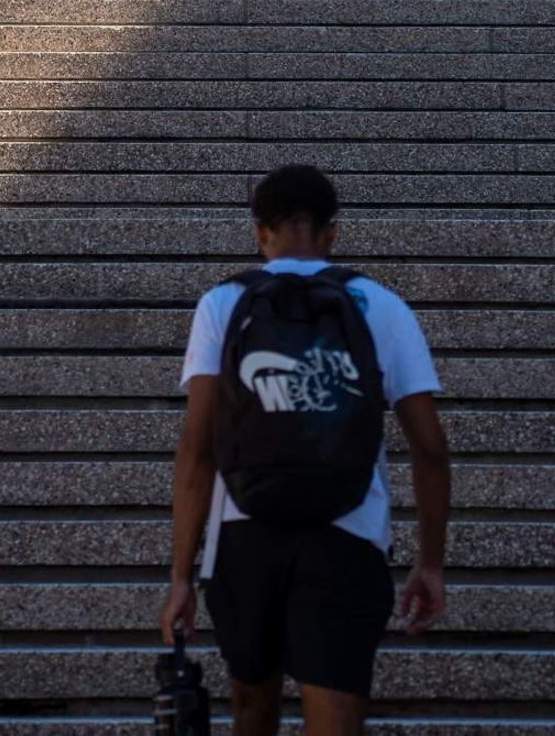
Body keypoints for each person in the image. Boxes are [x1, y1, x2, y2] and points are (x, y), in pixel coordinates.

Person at [160, 165, 451, 736]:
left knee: (252, 709)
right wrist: (431, 563)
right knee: (337, 719)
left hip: (244, 533)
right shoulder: (380, 306)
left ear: (258, 232)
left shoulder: (223, 304)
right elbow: (431, 449)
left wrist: (179, 578)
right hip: (348, 532)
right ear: (332, 232)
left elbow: (197, 449)